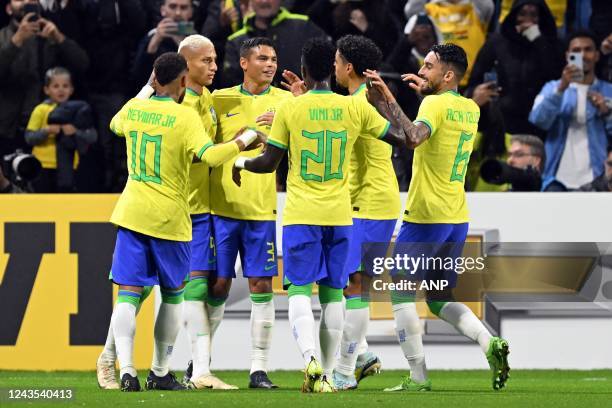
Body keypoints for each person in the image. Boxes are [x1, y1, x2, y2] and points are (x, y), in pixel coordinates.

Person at [231, 37, 414, 392]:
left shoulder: (290, 108)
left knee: (299, 290)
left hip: (302, 214)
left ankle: (311, 361)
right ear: (331, 69)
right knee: (334, 292)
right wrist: (392, 107)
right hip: (342, 214)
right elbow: (400, 139)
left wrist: (240, 161)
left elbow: (269, 163)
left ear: (302, 70)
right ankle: (330, 374)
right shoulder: (354, 109)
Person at [106, 52, 258, 392]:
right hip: (169, 218)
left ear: (154, 78)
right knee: (173, 296)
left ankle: (127, 372)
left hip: (131, 213)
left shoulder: (135, 108)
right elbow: (211, 156)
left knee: (128, 295)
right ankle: (159, 372)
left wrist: (146, 89)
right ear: (183, 82)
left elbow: (115, 124)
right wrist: (245, 139)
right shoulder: (183, 116)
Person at [363, 43, 510, 392]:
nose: (421, 72)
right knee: (440, 296)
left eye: (428, 67)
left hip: (426, 214)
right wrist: (398, 103)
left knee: (399, 292)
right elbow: (427, 135)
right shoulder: (469, 107)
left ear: (447, 75)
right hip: (456, 216)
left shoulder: (434, 103)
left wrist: (387, 100)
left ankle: (418, 377)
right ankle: (490, 343)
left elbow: (412, 137)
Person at [198, 37, 291, 389]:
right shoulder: (218, 99)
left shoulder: (285, 102)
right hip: (220, 208)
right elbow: (203, 148)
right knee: (217, 285)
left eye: (274, 58)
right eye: (263, 58)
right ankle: (201, 361)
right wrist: (240, 138)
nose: (270, 64)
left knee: (261, 285)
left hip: (261, 209)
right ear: (243, 63)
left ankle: (258, 369)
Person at [331, 35, 400, 391]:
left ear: (349, 68)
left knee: (355, 285)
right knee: (347, 284)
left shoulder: (359, 103)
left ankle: (344, 369)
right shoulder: (367, 98)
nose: (334, 67)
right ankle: (362, 355)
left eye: (337, 61)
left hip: (369, 203)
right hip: (369, 201)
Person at [0, 0, 89, 157]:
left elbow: (82, 64)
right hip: (10, 126)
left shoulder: (49, 36)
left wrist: (59, 37)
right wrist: (17, 39)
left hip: (49, 124)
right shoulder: (3, 37)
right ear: (8, 8)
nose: (27, 1)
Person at [529, 30, 612, 192]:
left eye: (588, 50)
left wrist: (607, 113)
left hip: (597, 178)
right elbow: (538, 120)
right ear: (568, 55)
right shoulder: (552, 87)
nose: (583, 55)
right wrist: (561, 88)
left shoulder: (609, 91)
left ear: (597, 55)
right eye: (576, 51)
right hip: (556, 178)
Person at [468, 0, 562, 137]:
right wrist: (476, 92)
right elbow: (474, 81)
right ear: (513, 16)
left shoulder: (552, 44)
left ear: (541, 18)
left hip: (539, 123)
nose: (527, 20)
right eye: (522, 14)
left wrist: (537, 39)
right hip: (501, 123)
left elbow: (557, 75)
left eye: (534, 15)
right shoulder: (496, 42)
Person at [221, 0, 326, 88]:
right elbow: (232, 85)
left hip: (299, 105)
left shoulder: (304, 26)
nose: (264, 1)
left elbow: (326, 68)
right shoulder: (236, 40)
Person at [24, 67, 97, 193]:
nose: (61, 89)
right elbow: (29, 137)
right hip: (43, 166)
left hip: (69, 168)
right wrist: (46, 131)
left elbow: (92, 136)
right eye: (56, 86)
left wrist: (75, 132)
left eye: (65, 86)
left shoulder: (78, 111)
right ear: (47, 90)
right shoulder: (40, 110)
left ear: (71, 90)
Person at [403, 0, 494, 86]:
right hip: (439, 84)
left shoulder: (478, 8)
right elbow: (410, 9)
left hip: (474, 83)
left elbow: (487, 5)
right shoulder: (427, 10)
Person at [131, 0, 196, 88]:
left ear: (191, 12)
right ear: (162, 10)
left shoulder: (198, 40)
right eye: (172, 7)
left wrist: (180, 41)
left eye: (183, 8)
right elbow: (137, 76)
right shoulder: (151, 36)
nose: (178, 13)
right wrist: (155, 40)